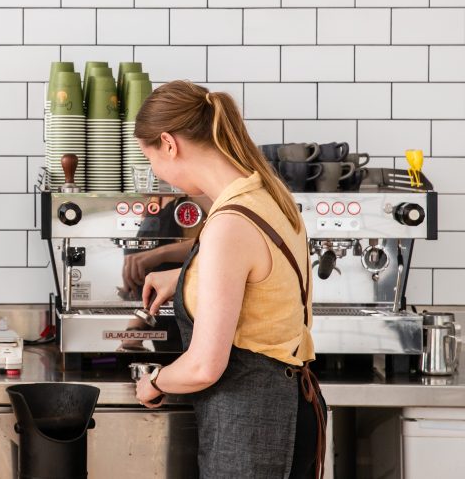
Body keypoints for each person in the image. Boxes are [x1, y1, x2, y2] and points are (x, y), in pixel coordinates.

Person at [131, 81, 326, 479]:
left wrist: (154, 381)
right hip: (291, 406)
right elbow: (262, 277)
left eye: (147, 157)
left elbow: (204, 367)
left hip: (257, 424)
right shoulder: (267, 195)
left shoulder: (229, 223)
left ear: (169, 144)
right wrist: (186, 277)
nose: (154, 171)